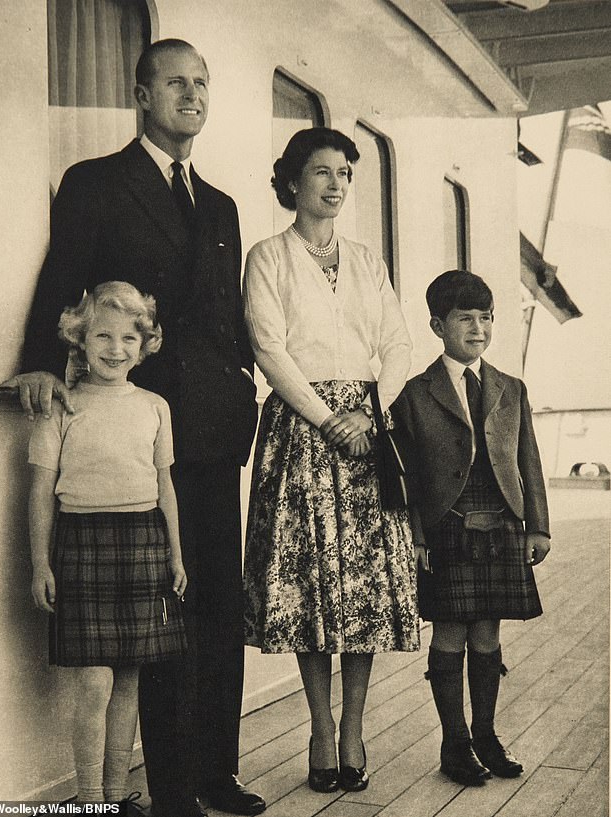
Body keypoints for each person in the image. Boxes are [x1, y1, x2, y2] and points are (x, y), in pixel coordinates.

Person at [6, 39, 263, 817]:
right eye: (177, 82)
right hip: (137, 423)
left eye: (203, 84)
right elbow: (62, 276)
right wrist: (40, 359)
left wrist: (248, 381)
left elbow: (225, 313)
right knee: (165, 611)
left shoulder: (219, 203)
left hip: (214, 425)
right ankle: (173, 786)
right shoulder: (96, 183)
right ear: (141, 94)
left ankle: (217, 770)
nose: (193, 95)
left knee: (217, 598)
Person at [242, 127, 420, 794]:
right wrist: (329, 420)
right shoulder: (269, 256)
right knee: (314, 583)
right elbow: (268, 346)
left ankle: (354, 728)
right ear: (292, 181)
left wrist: (369, 415)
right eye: (321, 171)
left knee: (363, 586)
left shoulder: (369, 262)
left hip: (369, 432)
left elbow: (397, 344)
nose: (336, 182)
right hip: (302, 430)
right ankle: (320, 728)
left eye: (344, 171)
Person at [28, 282, 187, 812]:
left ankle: (118, 799)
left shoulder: (156, 406)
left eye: (128, 337)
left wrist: (177, 556)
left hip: (144, 545)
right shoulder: (61, 407)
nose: (115, 348)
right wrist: (39, 566)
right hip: (81, 544)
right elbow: (40, 492)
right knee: (94, 685)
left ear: (144, 345)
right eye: (102, 335)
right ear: (79, 339)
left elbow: (166, 488)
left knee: (127, 685)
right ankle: (90, 800)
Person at [392, 269, 551, 787]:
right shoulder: (414, 393)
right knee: (452, 631)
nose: (478, 328)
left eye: (486, 317)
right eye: (465, 318)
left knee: (488, 631)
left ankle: (486, 735)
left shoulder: (511, 387)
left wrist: (537, 527)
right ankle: (454, 743)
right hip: (448, 528)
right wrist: (416, 537)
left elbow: (529, 460)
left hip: (503, 524)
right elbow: (409, 476)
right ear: (438, 325)